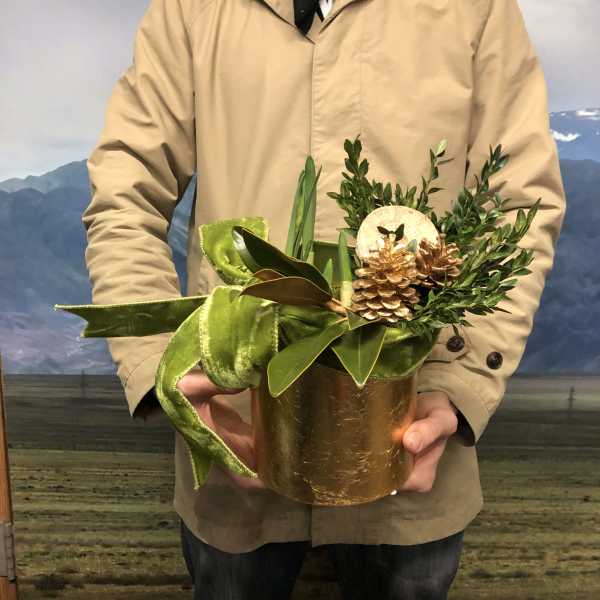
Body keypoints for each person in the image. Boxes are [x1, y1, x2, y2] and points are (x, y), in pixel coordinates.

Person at [81, 0, 566, 598]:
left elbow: (518, 205)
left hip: (413, 436)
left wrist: (460, 380)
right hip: (237, 438)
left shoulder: (478, 9)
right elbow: (124, 196)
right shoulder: (190, 9)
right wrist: (165, 365)